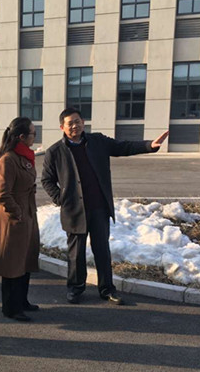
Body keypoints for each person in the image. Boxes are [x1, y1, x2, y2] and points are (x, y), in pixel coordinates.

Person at [41, 107, 169, 305]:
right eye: (70, 123)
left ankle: (107, 289)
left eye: (77, 121)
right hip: (75, 211)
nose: (75, 126)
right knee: (76, 253)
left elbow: (123, 147)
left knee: (102, 250)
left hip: (99, 208)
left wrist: (149, 146)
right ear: (62, 127)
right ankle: (75, 288)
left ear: (83, 122)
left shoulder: (98, 142)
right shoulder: (55, 152)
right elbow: (47, 180)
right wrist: (61, 199)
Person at [0, 117, 40, 322]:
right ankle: (10, 307)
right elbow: (2, 195)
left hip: (26, 215)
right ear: (21, 137)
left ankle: (22, 301)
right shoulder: (8, 159)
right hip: (13, 220)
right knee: (12, 265)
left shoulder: (24, 156)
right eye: (33, 133)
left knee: (24, 261)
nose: (35, 137)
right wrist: (18, 213)